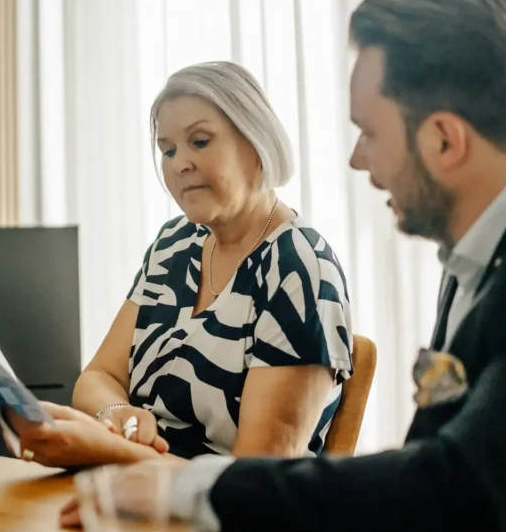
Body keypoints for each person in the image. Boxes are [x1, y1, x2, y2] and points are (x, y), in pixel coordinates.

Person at [59, 0, 506, 532]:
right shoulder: (494, 246)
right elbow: (437, 466)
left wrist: (180, 486)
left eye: (369, 133)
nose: (356, 159)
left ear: (445, 140)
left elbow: (455, 503)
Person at [18, 61, 354, 469]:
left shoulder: (300, 270)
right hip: (136, 499)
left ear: (256, 144)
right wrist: (115, 415)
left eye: (200, 141)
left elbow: (255, 481)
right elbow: (97, 378)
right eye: (168, 149)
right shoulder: (173, 244)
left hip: (223, 523)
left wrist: (113, 451)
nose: (179, 164)